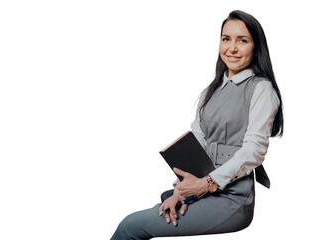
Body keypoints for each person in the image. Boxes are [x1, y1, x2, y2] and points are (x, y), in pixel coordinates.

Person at [110, 10, 283, 239]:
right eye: (226, 38)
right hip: (201, 188)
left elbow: (253, 151)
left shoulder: (261, 89)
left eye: (242, 40)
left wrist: (207, 184)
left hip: (231, 199)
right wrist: (179, 190)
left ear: (256, 47)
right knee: (156, 210)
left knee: (131, 226)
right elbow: (197, 143)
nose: (232, 48)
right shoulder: (210, 92)